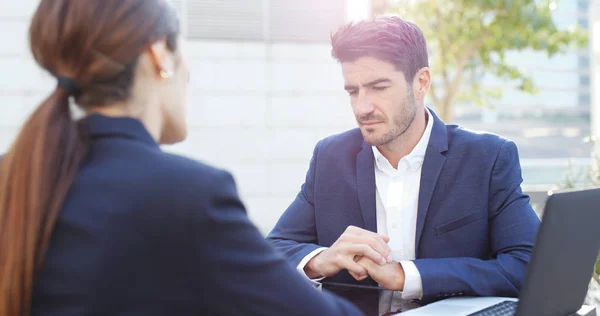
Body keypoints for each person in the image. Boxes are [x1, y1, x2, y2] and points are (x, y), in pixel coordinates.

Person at [0, 1, 363, 315]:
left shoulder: (15, 175)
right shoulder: (188, 195)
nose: (188, 72)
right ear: (158, 53)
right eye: (182, 51)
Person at [266, 15, 541, 312]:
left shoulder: (487, 158)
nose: (362, 107)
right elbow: (274, 249)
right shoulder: (330, 157)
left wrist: (406, 275)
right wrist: (322, 259)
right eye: (353, 91)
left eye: (379, 87)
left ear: (421, 82)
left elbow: (527, 265)